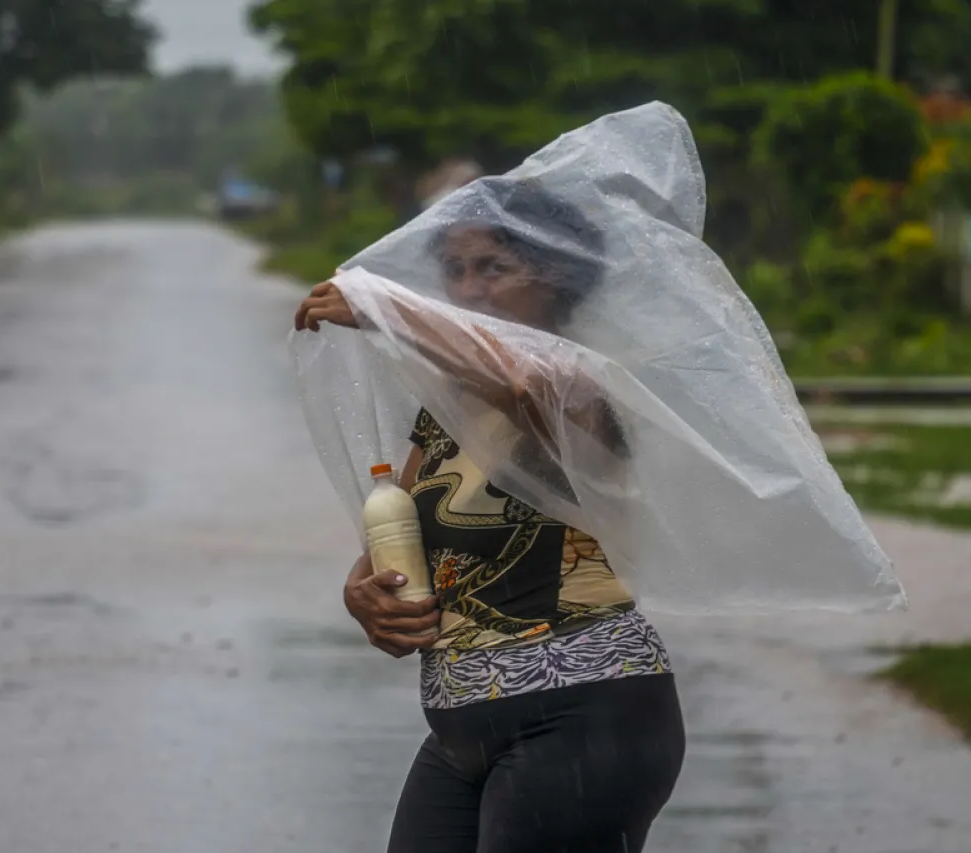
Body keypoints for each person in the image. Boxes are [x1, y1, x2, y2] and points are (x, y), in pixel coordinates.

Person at [294, 177, 686, 853]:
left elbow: (523, 384)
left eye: (493, 268)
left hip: (587, 715)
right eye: (452, 271)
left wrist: (390, 311)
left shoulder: (583, 384)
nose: (468, 290)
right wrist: (365, 597)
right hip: (459, 727)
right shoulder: (446, 402)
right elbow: (396, 543)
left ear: (556, 277)